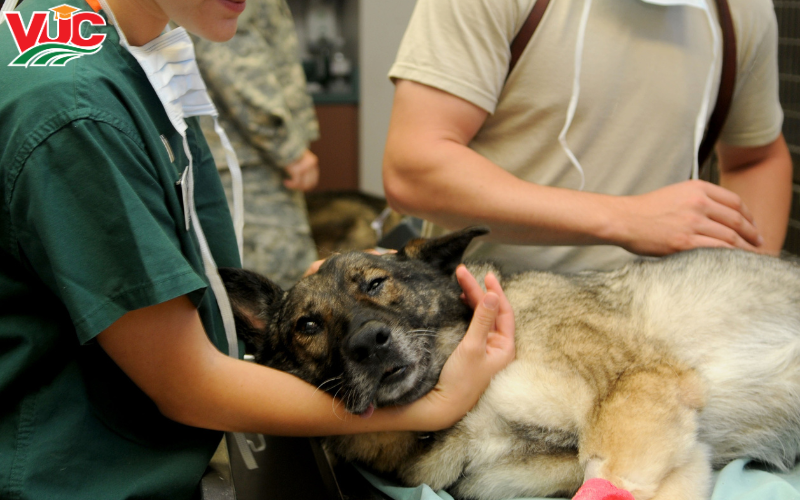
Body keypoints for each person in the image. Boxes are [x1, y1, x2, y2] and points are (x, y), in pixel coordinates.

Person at [0, 0, 516, 499]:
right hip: (78, 475)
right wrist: (436, 406)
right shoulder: (78, 115)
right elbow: (187, 383)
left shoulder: (118, 44)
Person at [383, 0, 793, 275]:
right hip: (492, 322)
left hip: (664, 326)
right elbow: (414, 168)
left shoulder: (742, 10)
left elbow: (757, 157)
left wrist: (746, 283)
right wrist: (626, 218)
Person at [194, 0, 320, 289]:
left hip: (243, 157)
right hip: (247, 163)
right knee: (275, 294)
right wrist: (289, 150)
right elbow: (234, 63)